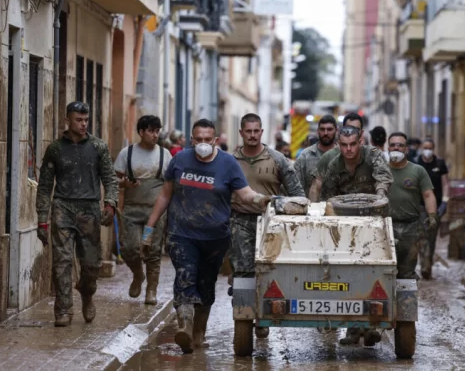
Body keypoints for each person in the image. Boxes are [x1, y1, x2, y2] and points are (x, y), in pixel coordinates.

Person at [145, 119, 273, 354]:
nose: (203, 143)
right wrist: (149, 228)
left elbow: (244, 193)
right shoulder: (179, 160)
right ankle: (185, 325)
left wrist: (263, 200)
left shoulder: (228, 163)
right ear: (192, 140)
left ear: (215, 140)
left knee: (206, 285)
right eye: (198, 139)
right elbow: (165, 196)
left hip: (215, 238)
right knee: (185, 276)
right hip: (181, 233)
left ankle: (198, 334)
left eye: (207, 139)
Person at [36, 101, 119, 327]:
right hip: (62, 207)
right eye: (78, 120)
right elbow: (44, 186)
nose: (83, 124)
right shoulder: (55, 149)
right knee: (62, 261)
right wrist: (42, 218)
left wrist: (110, 204)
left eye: (85, 120)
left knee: (91, 264)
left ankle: (87, 293)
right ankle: (63, 310)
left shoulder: (98, 147)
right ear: (67, 120)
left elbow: (110, 179)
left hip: (89, 210)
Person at [311, 124, 392, 345]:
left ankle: (371, 324)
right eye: (344, 145)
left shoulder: (373, 156)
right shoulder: (334, 164)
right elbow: (327, 197)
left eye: (353, 144)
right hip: (345, 226)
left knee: (375, 271)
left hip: (373, 222)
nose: (349, 150)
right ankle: (354, 328)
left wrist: (380, 198)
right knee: (346, 274)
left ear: (361, 141)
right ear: (339, 144)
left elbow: (383, 179)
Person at [230, 114, 304, 338]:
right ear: (241, 133)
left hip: (271, 224)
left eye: (256, 131)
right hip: (239, 222)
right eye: (248, 131)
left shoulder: (277, 159)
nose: (252, 135)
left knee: (269, 270)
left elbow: (297, 194)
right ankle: (244, 317)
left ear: (262, 132)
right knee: (243, 273)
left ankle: (264, 317)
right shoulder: (229, 160)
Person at [114, 115, 172, 305]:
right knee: (129, 248)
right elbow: (115, 180)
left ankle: (151, 290)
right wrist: (125, 183)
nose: (155, 135)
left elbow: (170, 185)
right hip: (131, 210)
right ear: (141, 132)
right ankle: (138, 275)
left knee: (153, 251)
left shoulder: (165, 155)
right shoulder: (127, 153)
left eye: (157, 131)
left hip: (155, 213)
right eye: (151, 131)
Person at [387, 132, 439, 280]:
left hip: (410, 229)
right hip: (385, 228)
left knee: (406, 271)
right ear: (388, 148)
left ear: (407, 149)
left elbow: (428, 195)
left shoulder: (417, 171)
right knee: (385, 270)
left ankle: (406, 301)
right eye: (393, 145)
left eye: (400, 145)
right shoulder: (380, 171)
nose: (396, 147)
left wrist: (432, 215)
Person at [308, 113, 371, 201]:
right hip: (338, 211)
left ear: (362, 132)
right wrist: (314, 210)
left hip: (367, 210)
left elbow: (383, 182)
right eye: (347, 129)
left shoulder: (371, 156)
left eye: (356, 129)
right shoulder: (329, 157)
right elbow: (316, 187)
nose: (351, 132)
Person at [416, 138, 450, 278]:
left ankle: (428, 264)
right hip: (420, 206)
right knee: (422, 236)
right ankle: (425, 266)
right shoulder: (416, 163)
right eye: (425, 147)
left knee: (431, 237)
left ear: (433, 148)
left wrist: (445, 201)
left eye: (430, 147)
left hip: (435, 207)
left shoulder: (439, 164)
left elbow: (445, 183)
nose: (427, 150)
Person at [294, 115, 338, 196]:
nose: (326, 133)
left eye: (329, 129)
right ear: (318, 131)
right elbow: (295, 186)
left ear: (336, 130)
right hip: (312, 207)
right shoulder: (305, 156)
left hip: (337, 207)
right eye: (322, 129)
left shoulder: (342, 155)